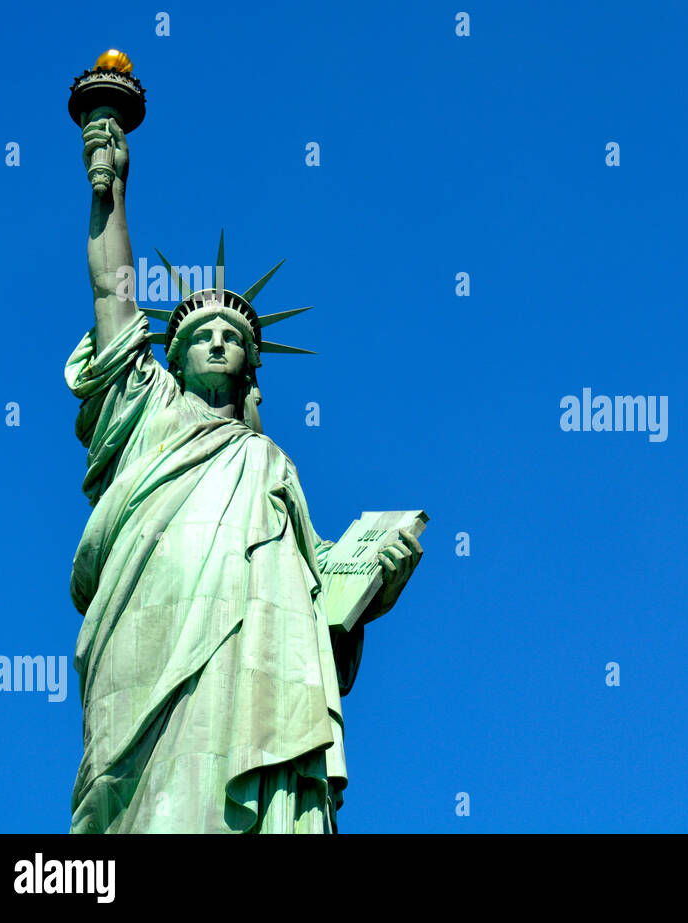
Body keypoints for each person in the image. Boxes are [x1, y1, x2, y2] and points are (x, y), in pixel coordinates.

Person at [65, 115, 422, 833]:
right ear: (175, 358)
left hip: (258, 653)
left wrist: (376, 572)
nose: (221, 344)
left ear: (252, 368)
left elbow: (317, 582)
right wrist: (111, 191)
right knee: (152, 803)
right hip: (151, 632)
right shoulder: (151, 414)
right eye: (204, 337)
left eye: (233, 338)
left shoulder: (269, 461)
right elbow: (113, 296)